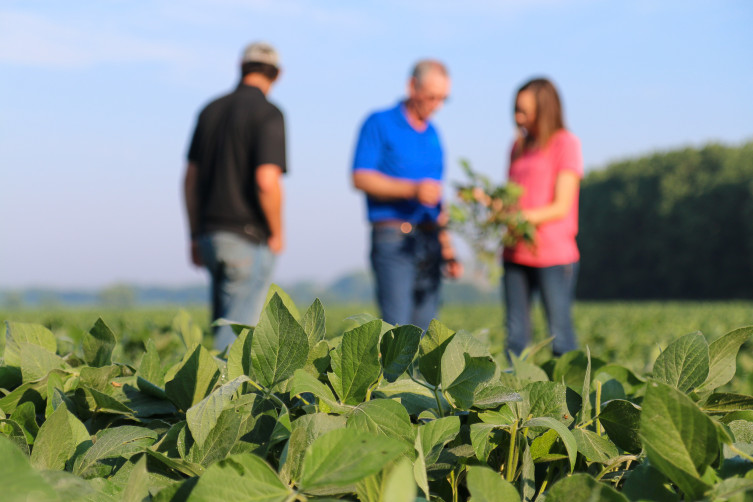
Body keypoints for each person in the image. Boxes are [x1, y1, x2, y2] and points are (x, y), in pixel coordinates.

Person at [183, 41, 286, 351]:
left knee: (223, 325)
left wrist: (195, 234)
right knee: (237, 344)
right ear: (277, 75)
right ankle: (223, 398)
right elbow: (267, 181)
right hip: (247, 236)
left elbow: (189, 180)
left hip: (210, 235)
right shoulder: (269, 113)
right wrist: (278, 232)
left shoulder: (210, 110)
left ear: (241, 69)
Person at [351, 60, 462, 330]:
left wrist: (447, 248)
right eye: (431, 96)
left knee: (426, 329)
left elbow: (437, 198)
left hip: (429, 239)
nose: (436, 105)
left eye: (442, 99)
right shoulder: (379, 123)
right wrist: (411, 190)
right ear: (412, 86)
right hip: (393, 238)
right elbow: (360, 177)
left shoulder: (434, 134)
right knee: (397, 329)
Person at [502, 77, 583, 357]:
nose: (517, 117)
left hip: (554, 254)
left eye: (523, 110)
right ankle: (511, 398)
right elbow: (510, 197)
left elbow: (561, 205)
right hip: (515, 252)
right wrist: (492, 204)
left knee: (560, 338)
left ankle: (569, 399)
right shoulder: (518, 147)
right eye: (515, 109)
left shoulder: (565, 144)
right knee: (515, 339)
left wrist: (520, 217)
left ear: (545, 109)